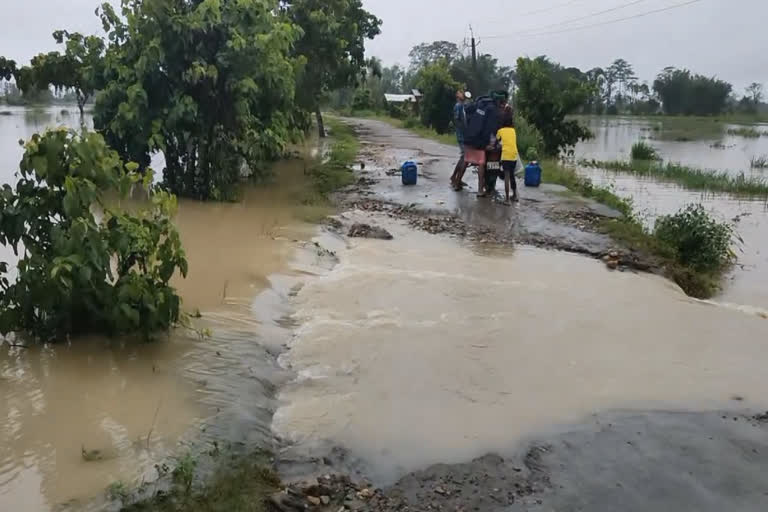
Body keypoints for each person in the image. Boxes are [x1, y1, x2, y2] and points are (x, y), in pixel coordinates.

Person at [496, 113, 519, 204]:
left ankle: (507, 199)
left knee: (506, 176)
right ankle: (515, 195)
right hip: (514, 155)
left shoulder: (500, 130)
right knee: (512, 175)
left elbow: (497, 140)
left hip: (506, 155)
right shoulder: (513, 131)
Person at [450, 90, 471, 190]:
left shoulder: (462, 105)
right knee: (464, 157)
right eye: (460, 93)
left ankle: (455, 177)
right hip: (461, 135)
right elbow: (457, 121)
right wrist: (464, 131)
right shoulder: (458, 106)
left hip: (463, 135)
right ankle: (456, 178)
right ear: (458, 96)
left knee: (463, 157)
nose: (463, 95)